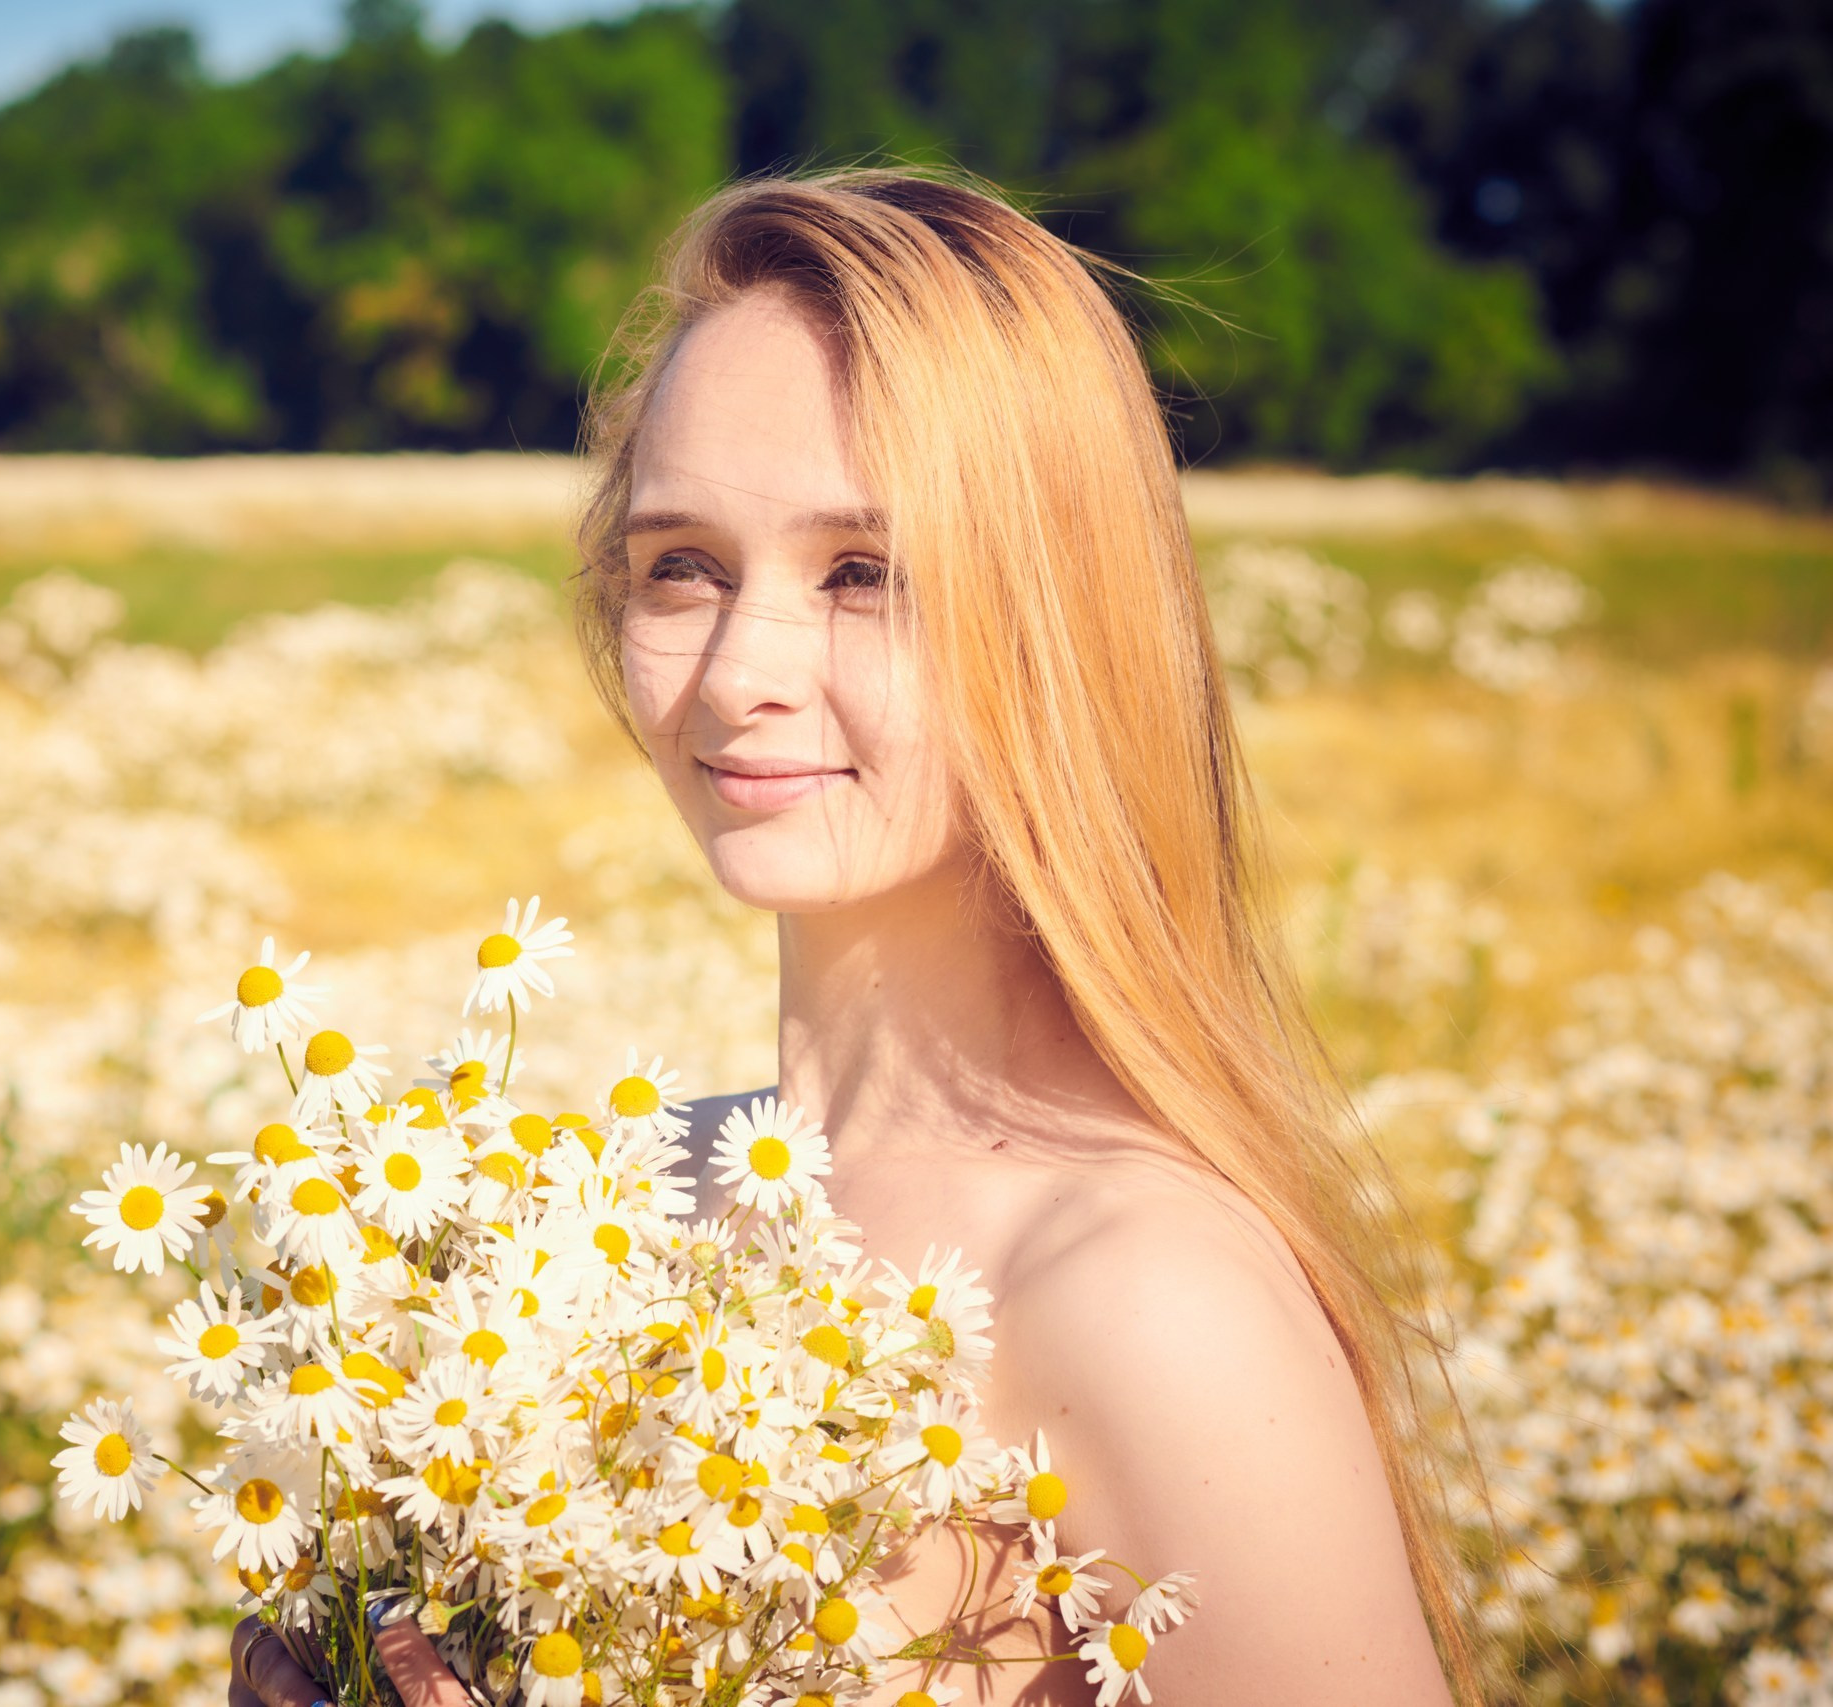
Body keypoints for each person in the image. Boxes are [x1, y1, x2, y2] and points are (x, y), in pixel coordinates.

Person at [229, 167, 1474, 1707]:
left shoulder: (1147, 1297)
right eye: (682, 563)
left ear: (1061, 618)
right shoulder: (597, 1211)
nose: (744, 668)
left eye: (865, 575)